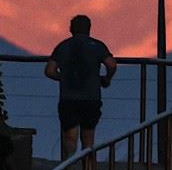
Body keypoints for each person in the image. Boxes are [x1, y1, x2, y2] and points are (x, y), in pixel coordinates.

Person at [45, 14, 118, 158]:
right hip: (91, 97)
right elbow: (111, 64)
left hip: (68, 97)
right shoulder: (97, 45)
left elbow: (49, 71)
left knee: (70, 138)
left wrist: (63, 78)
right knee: (88, 139)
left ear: (71, 29)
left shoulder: (63, 46)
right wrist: (106, 79)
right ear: (89, 29)